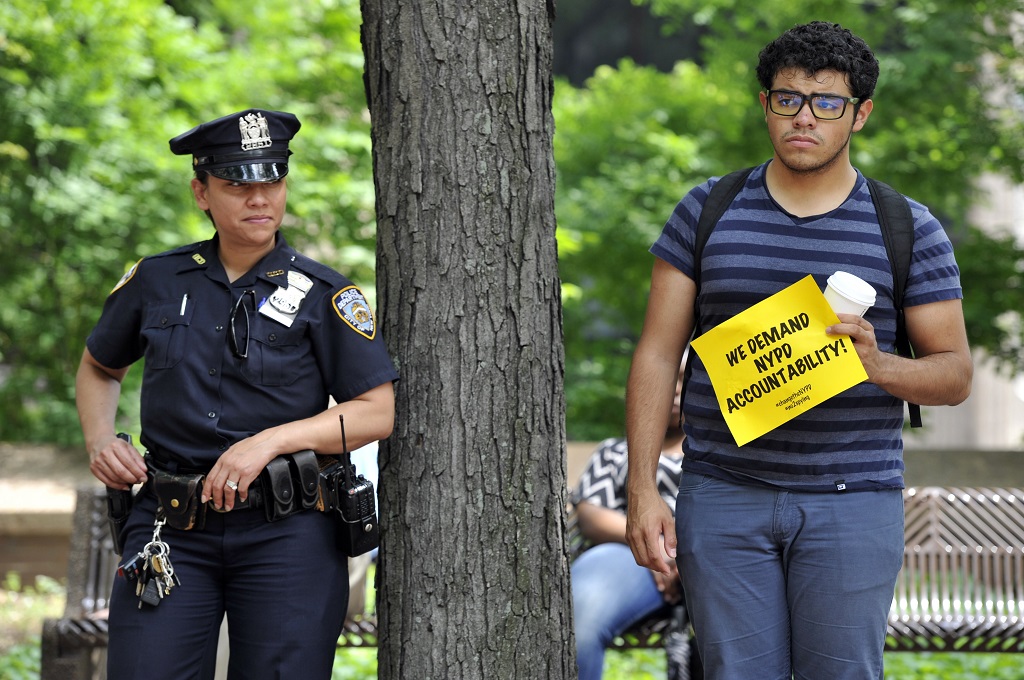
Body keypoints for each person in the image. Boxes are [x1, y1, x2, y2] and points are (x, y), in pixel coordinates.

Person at [624, 21, 973, 680]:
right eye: (787, 99)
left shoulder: (907, 228)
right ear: (765, 105)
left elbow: (954, 375)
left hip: (853, 500)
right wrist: (642, 487)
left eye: (827, 103)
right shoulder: (706, 211)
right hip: (723, 494)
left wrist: (878, 364)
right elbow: (654, 354)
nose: (803, 117)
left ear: (860, 114)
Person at [75, 108, 398, 680]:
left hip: (288, 532)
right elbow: (100, 366)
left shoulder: (326, 293)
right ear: (202, 192)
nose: (259, 199)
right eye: (238, 185)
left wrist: (268, 443)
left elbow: (376, 412)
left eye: (271, 181)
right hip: (172, 526)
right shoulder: (156, 279)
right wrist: (100, 438)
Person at [571, 358, 698, 680]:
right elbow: (590, 515)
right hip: (626, 555)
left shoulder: (729, 452)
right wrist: (661, 549)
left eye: (686, 379)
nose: (674, 390)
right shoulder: (615, 451)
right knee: (580, 613)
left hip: (713, 556)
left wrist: (687, 555)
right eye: (668, 377)